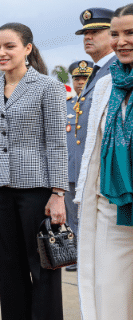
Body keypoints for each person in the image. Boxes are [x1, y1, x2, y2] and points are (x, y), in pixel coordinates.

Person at [0, 23, 68, 320]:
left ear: (27, 48)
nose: (2, 53)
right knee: (10, 272)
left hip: (36, 188)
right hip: (0, 188)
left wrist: (57, 193)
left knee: (43, 271)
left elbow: (56, 142)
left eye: (9, 46)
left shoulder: (47, 87)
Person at [74, 3, 133, 320]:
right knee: (112, 311)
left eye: (130, 34)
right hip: (112, 212)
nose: (122, 41)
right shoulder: (109, 83)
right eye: (117, 34)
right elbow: (93, 151)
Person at [68, 7, 117, 320]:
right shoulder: (99, 72)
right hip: (87, 178)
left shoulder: (116, 70)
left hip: (106, 181)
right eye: (85, 33)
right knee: (91, 253)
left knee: (105, 256)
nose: (89, 38)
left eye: (95, 32)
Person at [64, 59, 94, 272]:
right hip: (67, 172)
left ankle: (91, 257)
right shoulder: (64, 104)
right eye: (77, 78)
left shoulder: (96, 101)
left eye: (85, 77)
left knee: (91, 216)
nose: (81, 81)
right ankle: (76, 256)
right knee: (72, 217)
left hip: (90, 172)